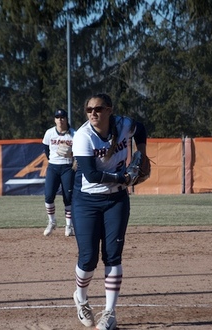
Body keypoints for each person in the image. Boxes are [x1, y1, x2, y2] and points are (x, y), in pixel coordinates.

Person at [71, 93, 148, 330]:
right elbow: (91, 175)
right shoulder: (84, 136)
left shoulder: (124, 125)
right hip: (87, 200)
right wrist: (122, 177)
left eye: (99, 109)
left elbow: (141, 128)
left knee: (113, 255)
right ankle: (81, 299)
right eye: (89, 109)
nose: (93, 113)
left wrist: (142, 153)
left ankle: (109, 313)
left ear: (109, 110)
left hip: (116, 199)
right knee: (88, 257)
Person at [42, 108, 76, 237]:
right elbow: (46, 149)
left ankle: (69, 226)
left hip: (67, 167)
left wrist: (71, 154)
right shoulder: (49, 133)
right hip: (53, 167)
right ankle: (52, 222)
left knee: (68, 197)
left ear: (66, 119)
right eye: (57, 117)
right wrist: (52, 160)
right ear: (54, 119)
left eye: (62, 117)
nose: (60, 120)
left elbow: (79, 152)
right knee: (49, 196)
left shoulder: (74, 134)